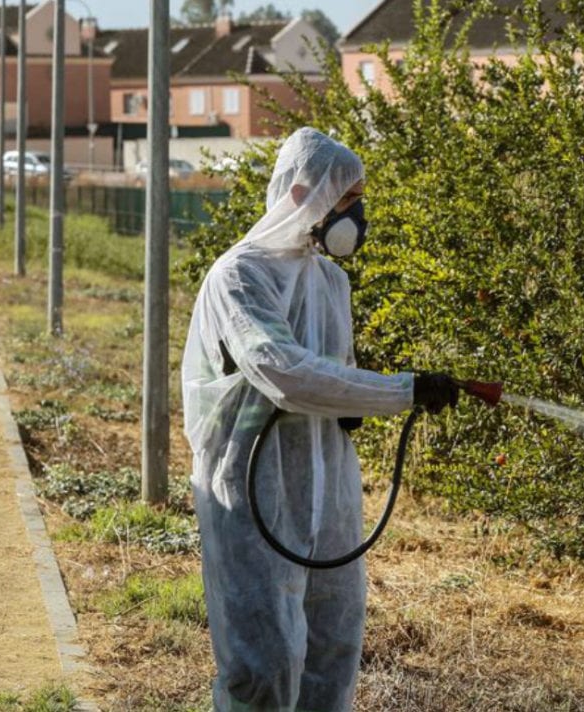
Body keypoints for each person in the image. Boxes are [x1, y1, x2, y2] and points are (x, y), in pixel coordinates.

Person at [181, 127, 459, 711]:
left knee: (332, 648)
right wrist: (400, 391)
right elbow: (283, 371)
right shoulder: (240, 275)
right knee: (265, 661)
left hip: (328, 487)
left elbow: (332, 373)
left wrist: (358, 401)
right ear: (303, 192)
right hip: (252, 487)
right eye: (347, 198)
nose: (356, 214)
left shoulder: (331, 281)